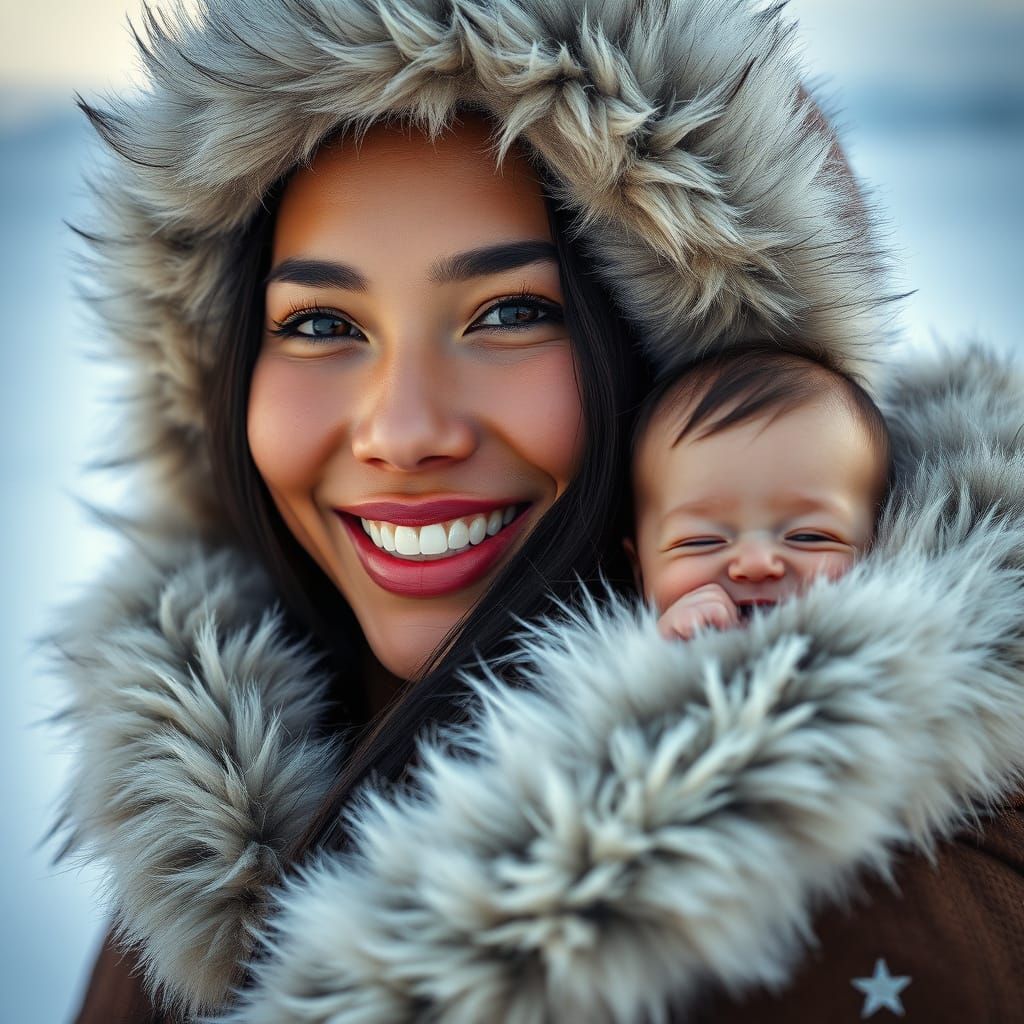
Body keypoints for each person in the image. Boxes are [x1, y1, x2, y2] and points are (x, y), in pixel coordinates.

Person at [57, 1, 1023, 1022]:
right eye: (323, 322)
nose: (403, 431)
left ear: (685, 363)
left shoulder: (847, 906)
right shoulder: (216, 831)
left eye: (512, 312)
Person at [625, 346, 892, 641]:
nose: (757, 563)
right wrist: (664, 662)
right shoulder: (619, 673)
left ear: (881, 543)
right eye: (701, 541)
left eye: (809, 537)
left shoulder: (907, 654)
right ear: (639, 571)